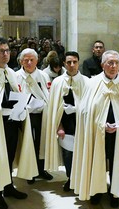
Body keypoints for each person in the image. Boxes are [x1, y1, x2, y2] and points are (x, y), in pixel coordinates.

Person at [71, 50, 119, 208]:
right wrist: (99, 124)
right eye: (110, 63)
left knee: (117, 161)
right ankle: (97, 191)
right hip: (96, 132)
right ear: (102, 65)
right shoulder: (92, 84)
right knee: (98, 160)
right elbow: (84, 110)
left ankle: (115, 192)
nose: (113, 66)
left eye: (116, 63)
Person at [0, 37, 38, 209]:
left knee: (9, 156)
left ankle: (8, 187)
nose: (5, 54)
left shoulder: (10, 73)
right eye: (1, 51)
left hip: (12, 123)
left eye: (7, 50)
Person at [45, 51, 89, 191]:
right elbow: (53, 108)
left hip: (82, 125)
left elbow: (91, 106)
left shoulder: (87, 82)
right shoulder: (57, 82)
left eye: (74, 62)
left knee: (82, 153)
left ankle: (82, 179)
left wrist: (77, 109)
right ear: (64, 63)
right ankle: (71, 178)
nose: (71, 65)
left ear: (78, 62)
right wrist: (59, 126)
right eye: (68, 62)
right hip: (66, 126)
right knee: (68, 155)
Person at [16, 48, 53, 184]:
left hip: (41, 115)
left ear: (37, 60)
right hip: (25, 116)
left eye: (32, 60)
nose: (29, 62)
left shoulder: (43, 76)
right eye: (26, 60)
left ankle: (41, 169)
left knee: (41, 142)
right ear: (21, 61)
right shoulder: (16, 76)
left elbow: (48, 94)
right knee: (28, 144)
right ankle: (29, 172)